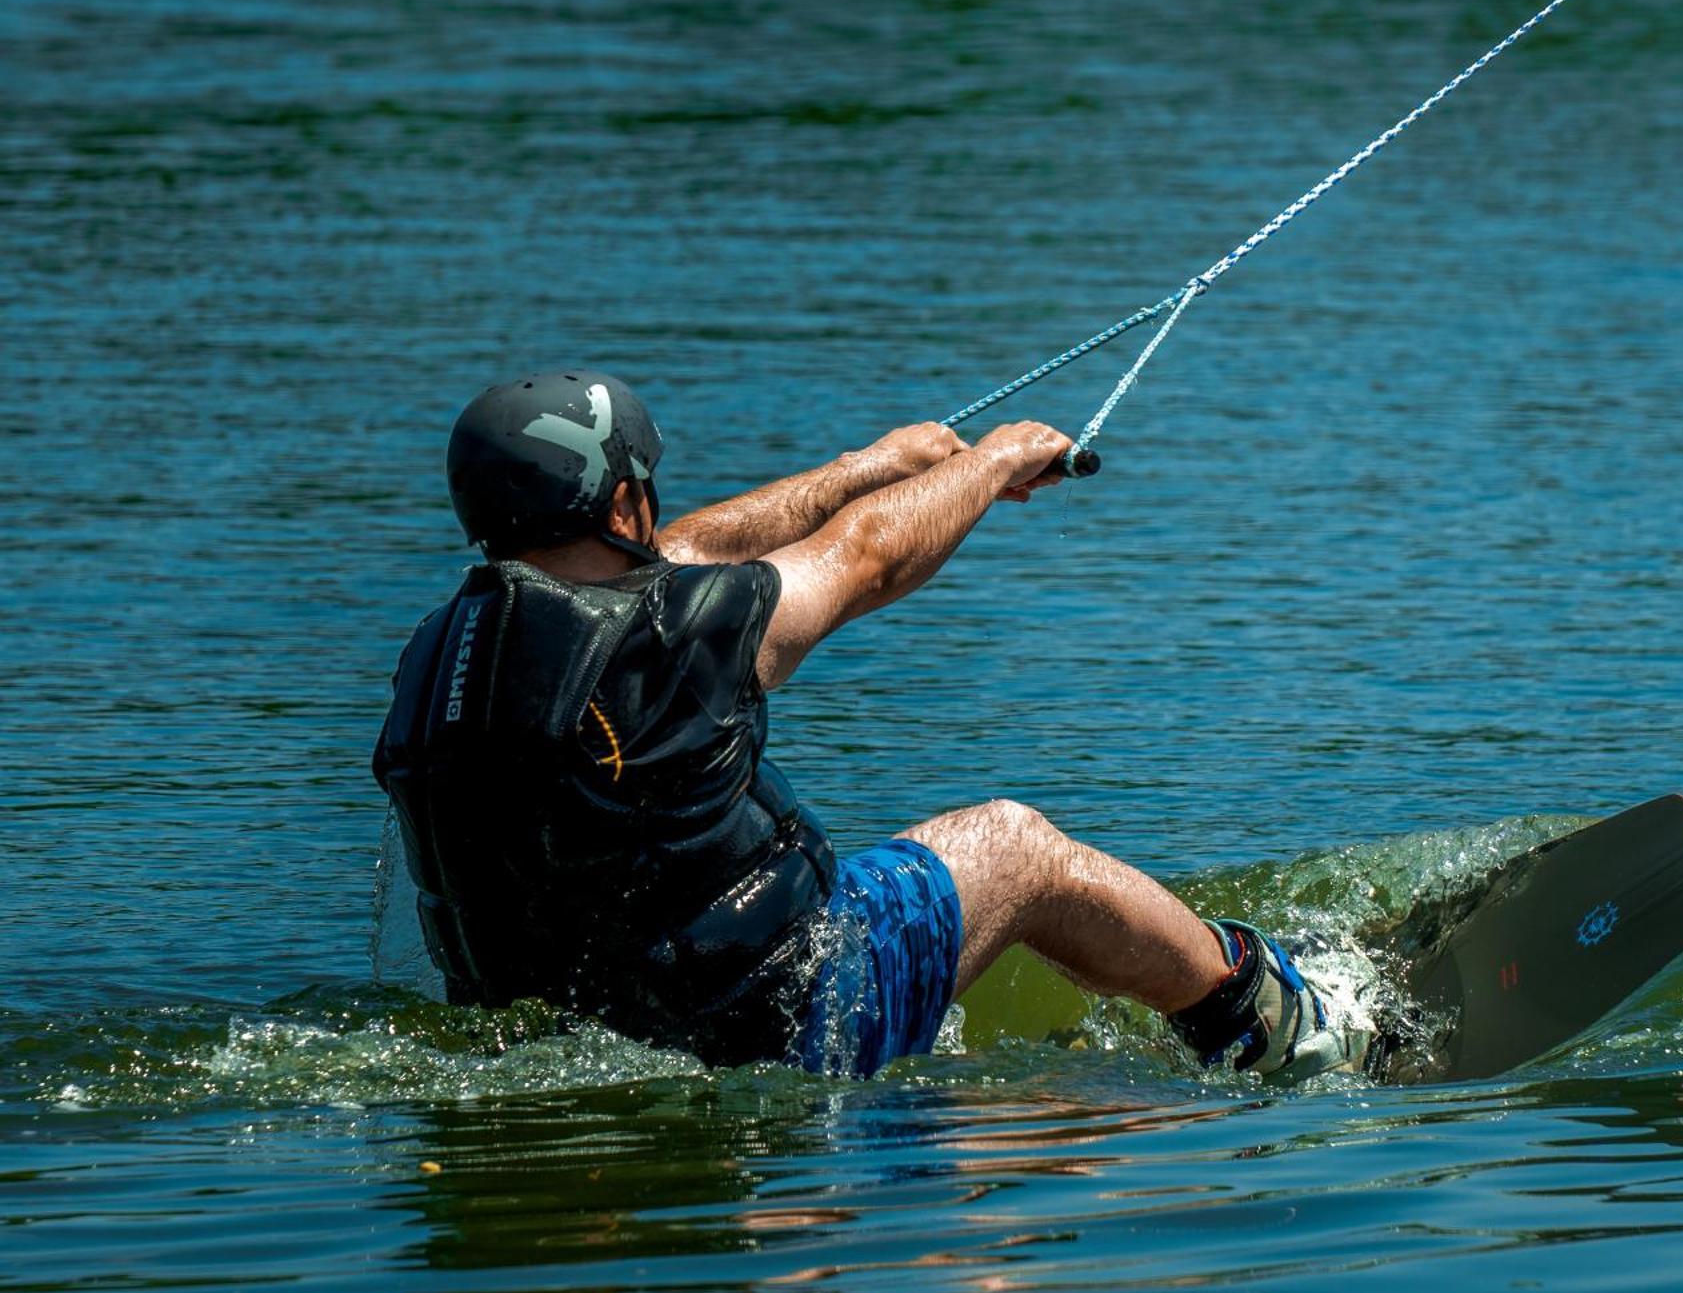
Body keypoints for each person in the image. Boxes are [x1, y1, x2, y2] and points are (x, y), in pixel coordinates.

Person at [375, 370, 1374, 1080]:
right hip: (778, 1027)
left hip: (571, 1036)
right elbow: (864, 560)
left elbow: (679, 553)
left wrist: (865, 465)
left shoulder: (447, 652)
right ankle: (1276, 1022)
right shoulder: (679, 638)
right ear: (623, 498)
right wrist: (993, 462)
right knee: (1015, 846)